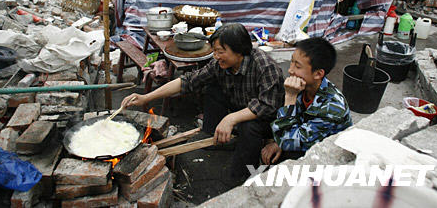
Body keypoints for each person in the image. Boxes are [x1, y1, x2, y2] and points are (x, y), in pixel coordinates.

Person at [122, 23, 285, 181]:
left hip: (268, 122)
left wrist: (231, 118)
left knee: (249, 127)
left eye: (220, 51)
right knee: (212, 88)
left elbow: (267, 106)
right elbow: (188, 81)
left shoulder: (264, 66)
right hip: (241, 108)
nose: (216, 56)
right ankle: (217, 138)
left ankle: (242, 176)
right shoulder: (220, 64)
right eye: (214, 51)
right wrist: (146, 97)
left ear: (240, 51)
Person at [261, 37, 353, 165]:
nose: (290, 70)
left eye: (297, 66)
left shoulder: (332, 107)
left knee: (288, 155)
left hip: (329, 158)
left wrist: (290, 97)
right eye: (292, 62)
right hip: (302, 135)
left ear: (318, 74)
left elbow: (289, 142)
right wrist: (279, 142)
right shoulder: (302, 86)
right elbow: (293, 126)